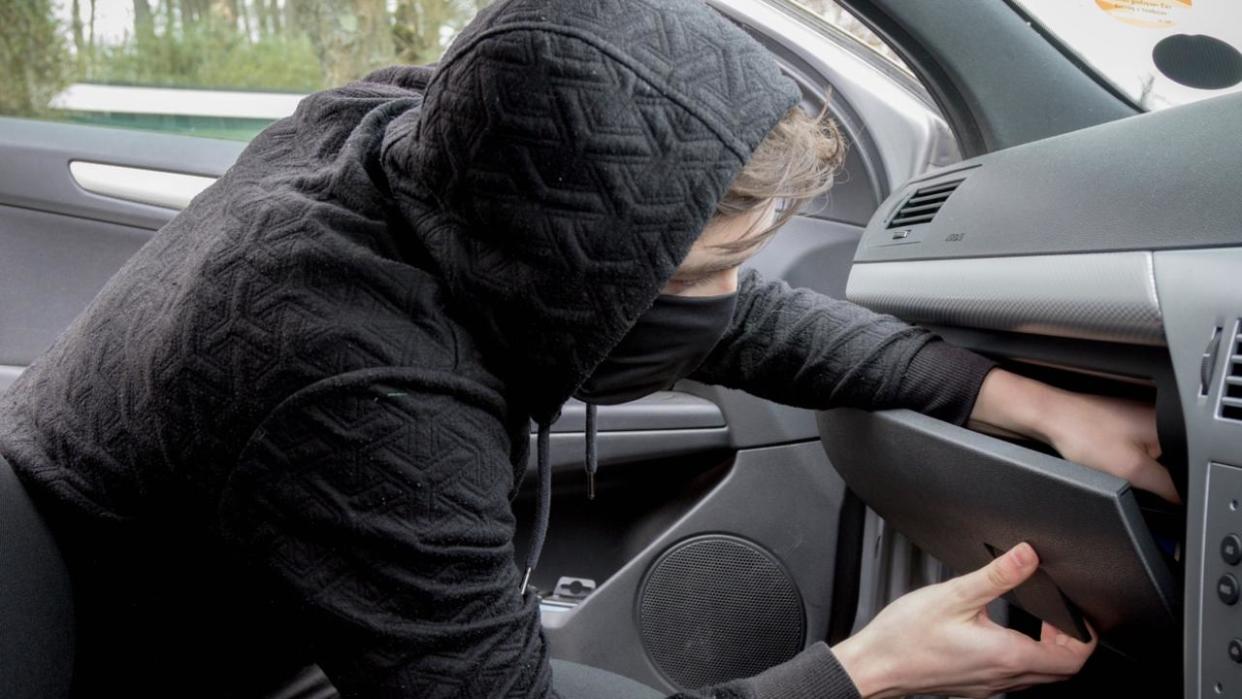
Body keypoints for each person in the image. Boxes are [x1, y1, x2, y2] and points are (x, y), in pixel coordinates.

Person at [0, 0, 1178, 697]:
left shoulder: (416, 140)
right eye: (706, 266)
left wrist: (1018, 398)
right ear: (577, 267)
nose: (730, 297)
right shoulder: (357, 388)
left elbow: (727, 313)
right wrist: (861, 674)